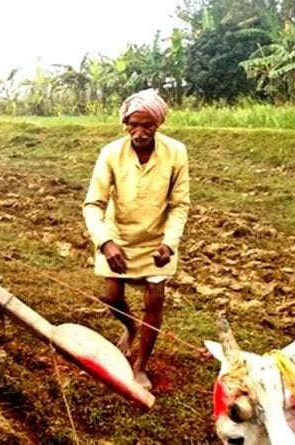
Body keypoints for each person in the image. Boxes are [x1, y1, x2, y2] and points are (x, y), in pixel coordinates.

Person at [83, 88, 190, 390]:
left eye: (148, 126)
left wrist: (169, 243)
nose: (140, 132)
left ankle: (140, 365)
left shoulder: (176, 152)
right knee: (112, 297)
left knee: (155, 299)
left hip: (157, 242)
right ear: (125, 123)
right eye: (134, 125)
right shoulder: (111, 154)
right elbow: (93, 205)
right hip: (117, 237)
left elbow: (180, 204)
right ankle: (130, 329)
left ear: (159, 125)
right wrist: (105, 242)